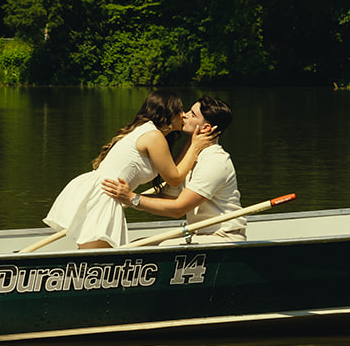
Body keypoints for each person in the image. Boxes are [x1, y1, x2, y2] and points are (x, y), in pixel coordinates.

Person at [44, 93, 216, 251]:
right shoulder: (153, 136)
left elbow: (173, 169)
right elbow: (175, 178)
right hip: (105, 194)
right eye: (180, 110)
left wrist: (191, 143)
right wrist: (195, 147)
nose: (184, 115)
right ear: (167, 115)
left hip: (101, 191)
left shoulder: (148, 131)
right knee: (95, 259)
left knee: (95, 255)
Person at [101, 96, 244, 241]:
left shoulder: (215, 161)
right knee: (138, 243)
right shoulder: (189, 158)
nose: (184, 115)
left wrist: (132, 198)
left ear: (206, 128)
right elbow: (167, 198)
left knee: (142, 251)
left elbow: (178, 209)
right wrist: (124, 197)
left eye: (192, 114)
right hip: (200, 235)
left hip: (224, 237)